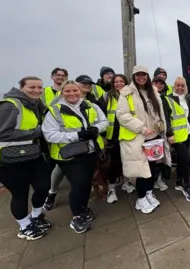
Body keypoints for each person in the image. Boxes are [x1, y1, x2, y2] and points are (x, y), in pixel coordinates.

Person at [0, 76, 51, 240]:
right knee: (20, 192)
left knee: (43, 185)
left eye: (39, 88)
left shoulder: (35, 105)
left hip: (30, 154)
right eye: (32, 87)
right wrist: (37, 132)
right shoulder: (8, 106)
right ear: (21, 88)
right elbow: (1, 133)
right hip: (4, 158)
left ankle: (36, 215)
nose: (36, 91)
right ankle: (25, 226)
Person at [42, 80, 108, 233]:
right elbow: (50, 135)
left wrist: (95, 129)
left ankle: (83, 208)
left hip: (91, 151)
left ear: (80, 91)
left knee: (86, 183)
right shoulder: (54, 111)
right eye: (68, 91)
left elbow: (104, 121)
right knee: (78, 184)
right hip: (69, 154)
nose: (72, 94)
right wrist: (77, 135)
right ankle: (76, 217)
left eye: (75, 90)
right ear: (62, 93)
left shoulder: (91, 105)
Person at [116, 65, 172, 214]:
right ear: (134, 76)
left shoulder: (153, 91)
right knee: (141, 171)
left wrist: (160, 126)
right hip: (138, 138)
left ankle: (148, 192)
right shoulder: (126, 93)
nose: (141, 77)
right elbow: (122, 116)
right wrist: (142, 127)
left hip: (153, 137)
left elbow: (158, 112)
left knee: (152, 169)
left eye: (144, 75)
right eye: (138, 74)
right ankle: (140, 199)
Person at [103, 74, 136, 204]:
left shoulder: (132, 95)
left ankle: (126, 183)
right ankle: (111, 188)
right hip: (113, 136)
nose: (119, 84)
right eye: (116, 82)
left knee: (127, 160)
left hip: (129, 133)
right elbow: (101, 116)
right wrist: (104, 136)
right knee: (114, 163)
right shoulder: (107, 97)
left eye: (121, 81)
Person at [166, 76, 190, 202]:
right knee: (186, 160)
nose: (180, 88)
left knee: (181, 159)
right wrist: (169, 134)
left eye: (182, 85)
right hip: (177, 136)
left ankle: (178, 181)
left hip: (187, 133)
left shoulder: (187, 99)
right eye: (178, 85)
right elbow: (166, 118)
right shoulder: (168, 99)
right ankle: (187, 186)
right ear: (174, 86)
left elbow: (188, 116)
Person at [151, 75, 172, 191]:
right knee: (152, 159)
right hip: (149, 133)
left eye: (161, 83)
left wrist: (169, 132)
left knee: (162, 158)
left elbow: (167, 116)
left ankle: (159, 180)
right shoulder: (146, 97)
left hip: (162, 133)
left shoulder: (164, 99)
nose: (158, 85)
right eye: (156, 83)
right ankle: (153, 181)